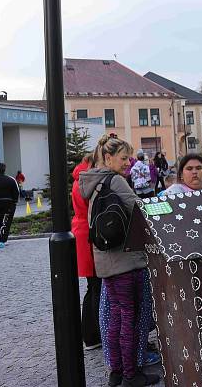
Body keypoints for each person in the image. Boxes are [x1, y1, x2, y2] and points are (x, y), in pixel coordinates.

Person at [79, 135, 159, 387]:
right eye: (124, 158)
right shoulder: (115, 180)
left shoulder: (93, 182)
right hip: (125, 260)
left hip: (106, 261)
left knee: (115, 318)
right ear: (108, 157)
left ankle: (116, 372)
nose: (128, 163)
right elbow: (139, 209)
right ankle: (131, 374)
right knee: (129, 319)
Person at [71, 154, 102, 350]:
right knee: (97, 287)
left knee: (93, 288)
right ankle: (95, 334)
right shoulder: (87, 180)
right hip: (89, 234)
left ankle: (90, 336)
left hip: (82, 232)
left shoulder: (80, 178)